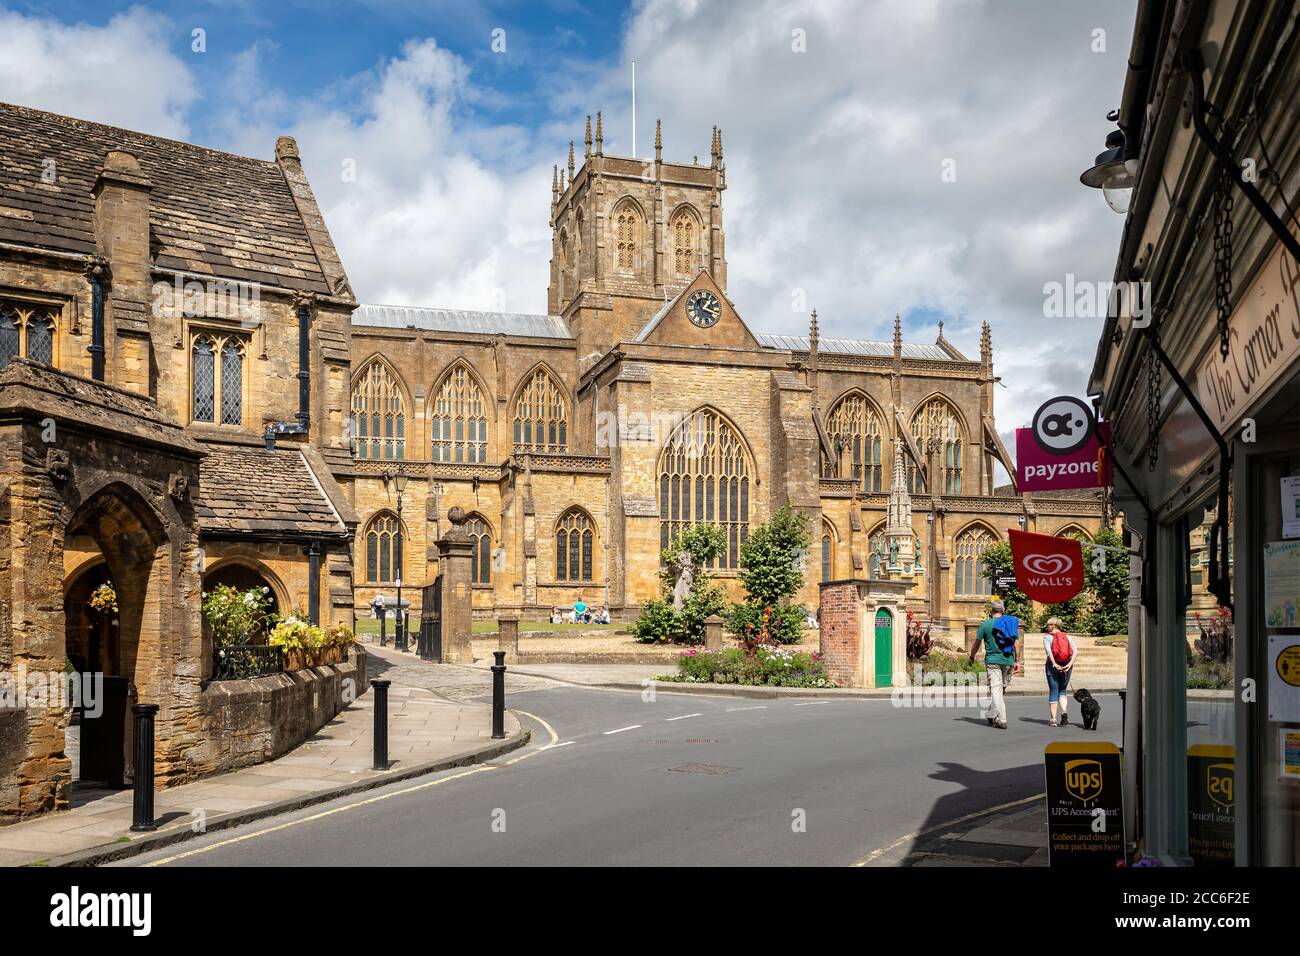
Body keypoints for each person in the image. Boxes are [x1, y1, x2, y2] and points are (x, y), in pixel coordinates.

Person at [967, 600, 1022, 729]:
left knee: (996, 690)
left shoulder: (985, 625)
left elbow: (976, 643)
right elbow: (1016, 644)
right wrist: (1017, 661)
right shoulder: (1010, 623)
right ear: (1003, 611)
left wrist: (971, 656)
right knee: (999, 690)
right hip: (1008, 660)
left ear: (991, 611)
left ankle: (1002, 720)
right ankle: (994, 716)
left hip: (992, 661)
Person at [1043, 617, 1078, 726]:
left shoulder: (1047, 637)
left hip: (1053, 666)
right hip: (1067, 665)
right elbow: (1075, 652)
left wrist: (1055, 664)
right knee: (1062, 690)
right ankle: (1064, 712)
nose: (1047, 626)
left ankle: (1053, 719)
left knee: (1054, 690)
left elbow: (1049, 653)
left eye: (1049, 625)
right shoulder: (1067, 637)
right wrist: (1069, 665)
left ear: (1053, 625)